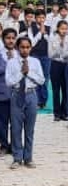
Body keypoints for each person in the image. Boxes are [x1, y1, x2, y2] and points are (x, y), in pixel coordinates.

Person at [6, 36, 45, 169]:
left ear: (31, 48)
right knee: (16, 127)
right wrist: (21, 74)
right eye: (22, 47)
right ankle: (17, 157)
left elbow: (41, 80)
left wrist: (28, 73)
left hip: (31, 94)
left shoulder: (35, 62)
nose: (25, 50)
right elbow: (9, 81)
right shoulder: (11, 62)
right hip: (17, 94)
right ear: (17, 48)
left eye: (27, 47)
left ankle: (28, 157)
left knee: (29, 128)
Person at [48, 20, 68, 122]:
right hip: (56, 64)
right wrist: (59, 46)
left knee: (66, 90)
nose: (64, 31)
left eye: (66, 29)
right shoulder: (52, 38)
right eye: (62, 29)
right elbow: (50, 55)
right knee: (56, 90)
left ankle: (64, 112)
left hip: (66, 65)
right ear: (58, 29)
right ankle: (56, 113)